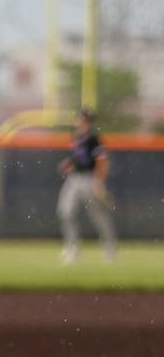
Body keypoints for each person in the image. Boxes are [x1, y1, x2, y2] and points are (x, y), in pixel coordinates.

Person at [57, 109, 116, 264]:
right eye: (79, 119)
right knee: (65, 212)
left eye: (82, 120)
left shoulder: (94, 139)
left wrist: (99, 182)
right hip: (74, 179)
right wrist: (69, 164)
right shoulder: (76, 136)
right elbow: (78, 157)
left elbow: (103, 160)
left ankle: (109, 249)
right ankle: (72, 249)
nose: (79, 122)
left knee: (98, 216)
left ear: (88, 122)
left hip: (89, 179)